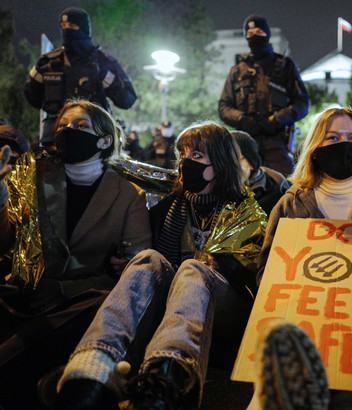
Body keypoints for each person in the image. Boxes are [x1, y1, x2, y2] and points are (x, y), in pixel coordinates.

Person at [54, 122, 267, 410]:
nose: (186, 164)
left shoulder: (246, 210)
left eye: (197, 157)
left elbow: (253, 282)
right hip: (175, 303)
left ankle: (167, 380)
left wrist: (221, 262)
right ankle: (93, 369)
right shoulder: (171, 205)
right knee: (148, 259)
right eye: (184, 157)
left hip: (226, 307)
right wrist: (117, 262)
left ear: (220, 161)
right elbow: (151, 263)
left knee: (194, 268)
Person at [0, 99, 151, 409]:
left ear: (105, 140)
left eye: (81, 127)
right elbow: (5, 241)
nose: (69, 132)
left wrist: (64, 289)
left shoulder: (128, 195)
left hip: (81, 303)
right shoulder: (33, 178)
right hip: (23, 298)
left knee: (99, 305)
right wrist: (3, 195)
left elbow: (134, 272)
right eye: (63, 126)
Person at [258, 106, 352, 409]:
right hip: (304, 329)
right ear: (315, 148)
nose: (343, 144)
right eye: (332, 137)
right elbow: (265, 274)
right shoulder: (290, 204)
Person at [24, 7, 137, 145]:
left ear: (83, 29)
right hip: (55, 137)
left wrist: (107, 81)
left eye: (72, 25)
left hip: (93, 137)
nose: (67, 30)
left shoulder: (103, 62)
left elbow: (128, 100)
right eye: (63, 26)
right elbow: (32, 97)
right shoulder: (48, 62)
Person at [218, 14, 310, 176]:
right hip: (244, 146)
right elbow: (224, 106)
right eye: (250, 33)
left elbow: (302, 103)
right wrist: (241, 118)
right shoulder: (237, 71)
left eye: (259, 31)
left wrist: (278, 119)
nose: (254, 36)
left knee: (283, 189)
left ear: (267, 34)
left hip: (276, 144)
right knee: (238, 190)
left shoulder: (285, 66)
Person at [231, 130, 291, 214]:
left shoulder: (276, 183)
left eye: (235, 160)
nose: (229, 166)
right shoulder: (219, 187)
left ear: (251, 162)